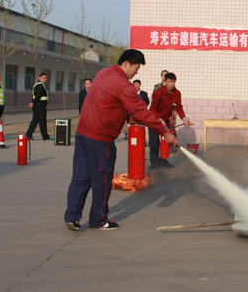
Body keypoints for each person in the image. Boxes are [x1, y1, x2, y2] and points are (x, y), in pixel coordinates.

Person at [64, 49, 176, 232]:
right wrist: (164, 132)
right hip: (100, 139)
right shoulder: (123, 84)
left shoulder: (103, 74)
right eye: (136, 68)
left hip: (83, 134)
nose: (136, 72)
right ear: (126, 64)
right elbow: (141, 111)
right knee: (103, 179)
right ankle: (98, 220)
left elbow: (108, 104)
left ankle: (72, 217)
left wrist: (124, 116)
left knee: (80, 177)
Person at [149, 72, 191, 169]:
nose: (171, 84)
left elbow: (179, 107)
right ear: (165, 81)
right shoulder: (158, 93)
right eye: (169, 82)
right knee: (154, 142)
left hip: (165, 120)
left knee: (166, 141)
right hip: (154, 120)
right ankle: (154, 162)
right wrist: (159, 119)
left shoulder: (177, 93)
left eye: (173, 82)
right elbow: (153, 109)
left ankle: (163, 160)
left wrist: (184, 119)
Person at [25, 73, 51, 140]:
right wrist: (33, 103)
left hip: (38, 105)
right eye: (43, 78)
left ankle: (28, 135)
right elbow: (38, 95)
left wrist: (33, 102)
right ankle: (45, 136)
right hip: (39, 106)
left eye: (46, 78)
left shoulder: (39, 85)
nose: (45, 79)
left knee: (35, 120)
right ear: (39, 78)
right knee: (42, 121)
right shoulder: (40, 86)